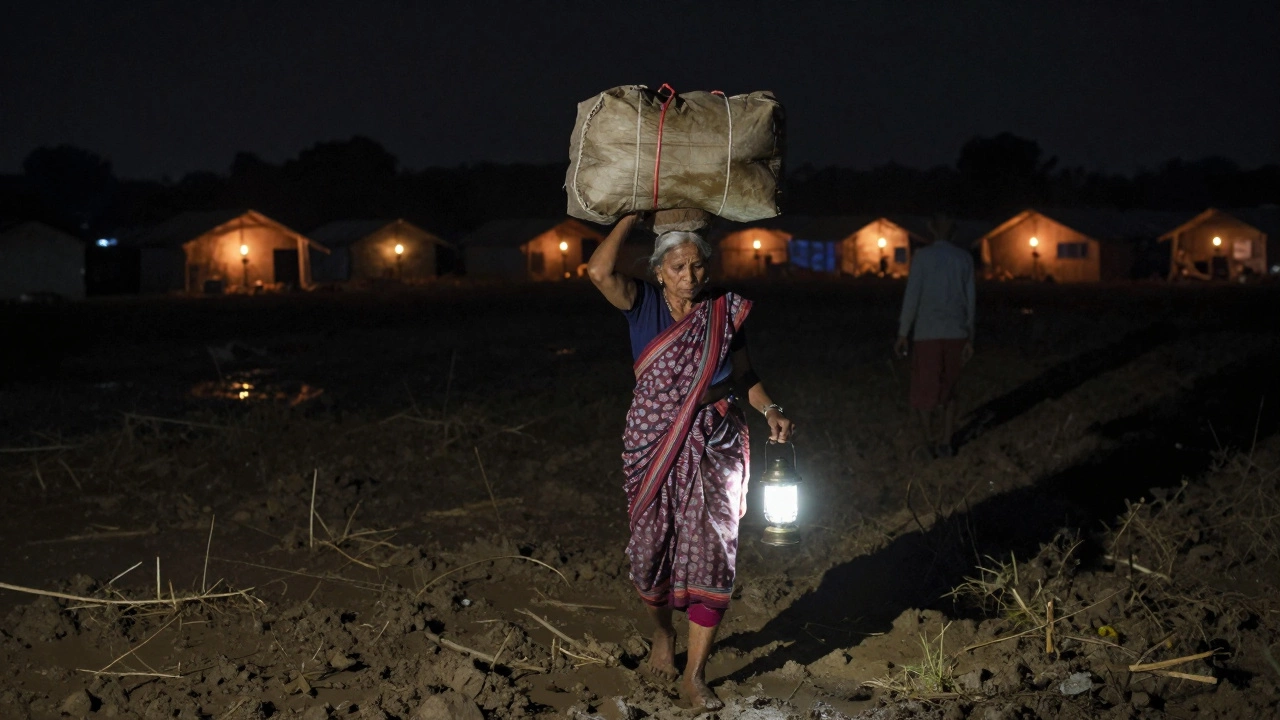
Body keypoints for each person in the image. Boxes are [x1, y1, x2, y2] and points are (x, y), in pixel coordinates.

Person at [586, 213, 794, 711]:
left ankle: (695, 676)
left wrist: (770, 409)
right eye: (678, 267)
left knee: (713, 551)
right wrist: (632, 218)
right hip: (653, 440)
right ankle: (663, 635)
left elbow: (745, 375)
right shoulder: (643, 304)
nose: (691, 277)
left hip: (717, 439)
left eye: (698, 266)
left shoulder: (724, 309)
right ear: (659, 270)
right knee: (649, 550)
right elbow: (598, 272)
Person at [894, 216, 975, 458]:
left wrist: (903, 333)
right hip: (955, 332)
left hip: (927, 333)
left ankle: (929, 440)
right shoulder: (964, 258)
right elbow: (970, 300)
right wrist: (970, 335)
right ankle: (945, 441)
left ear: (931, 229)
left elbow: (912, 296)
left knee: (924, 391)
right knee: (949, 389)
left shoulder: (923, 257)